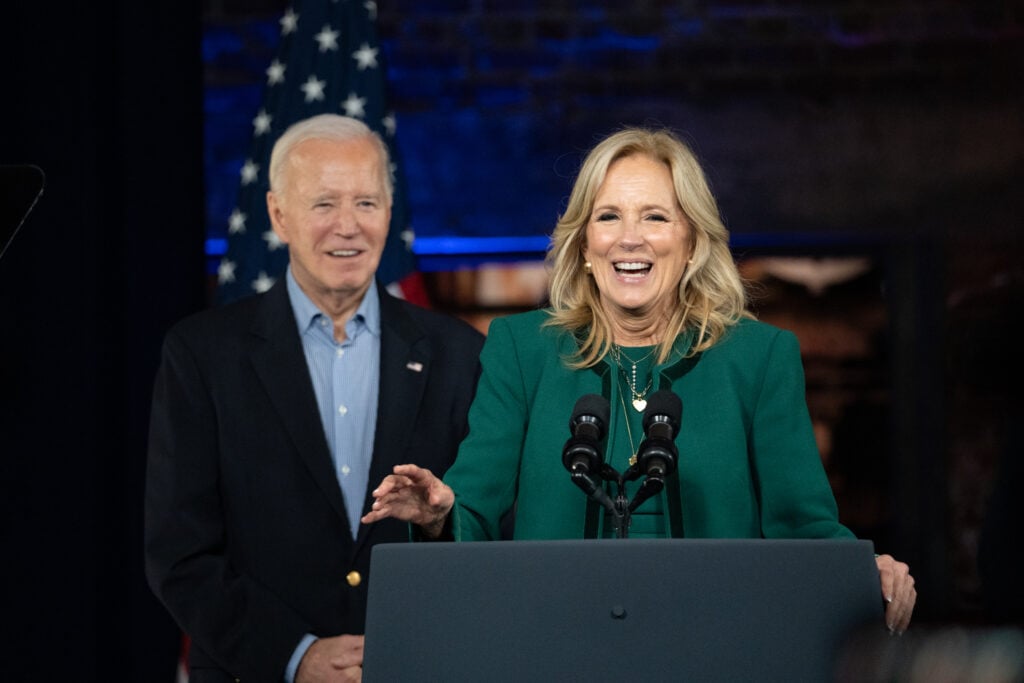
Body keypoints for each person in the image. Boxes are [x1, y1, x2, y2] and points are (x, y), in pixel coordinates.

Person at [362, 125, 917, 634]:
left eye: (655, 216)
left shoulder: (759, 357)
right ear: (582, 246)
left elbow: (805, 527)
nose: (630, 238)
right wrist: (440, 514)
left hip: (717, 643)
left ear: (693, 242)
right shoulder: (522, 350)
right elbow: (474, 507)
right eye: (608, 217)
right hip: (555, 641)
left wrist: (859, 568)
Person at [144, 114, 485, 683]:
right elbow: (179, 553)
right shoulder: (202, 355)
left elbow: (491, 530)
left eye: (367, 204)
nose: (347, 227)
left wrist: (437, 521)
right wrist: (296, 655)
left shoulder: (460, 355)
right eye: (324, 204)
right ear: (279, 215)